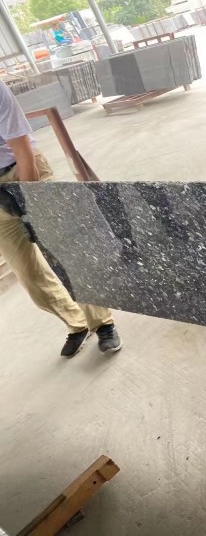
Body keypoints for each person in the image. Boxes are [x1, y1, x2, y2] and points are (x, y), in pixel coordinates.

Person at [0, 81, 122, 357]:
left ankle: (102, 323)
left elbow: (22, 150)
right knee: (28, 275)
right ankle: (77, 324)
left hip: (24, 170)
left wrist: (30, 203)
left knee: (67, 252)